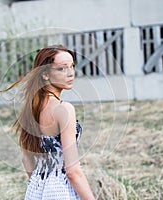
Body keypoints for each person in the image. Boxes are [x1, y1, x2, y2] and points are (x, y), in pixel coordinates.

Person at [5, 44, 95, 199]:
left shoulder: (31, 108)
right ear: (45, 74)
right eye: (61, 68)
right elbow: (73, 172)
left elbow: (26, 159)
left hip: (36, 189)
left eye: (72, 66)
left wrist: (41, 185)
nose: (70, 73)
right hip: (62, 191)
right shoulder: (64, 110)